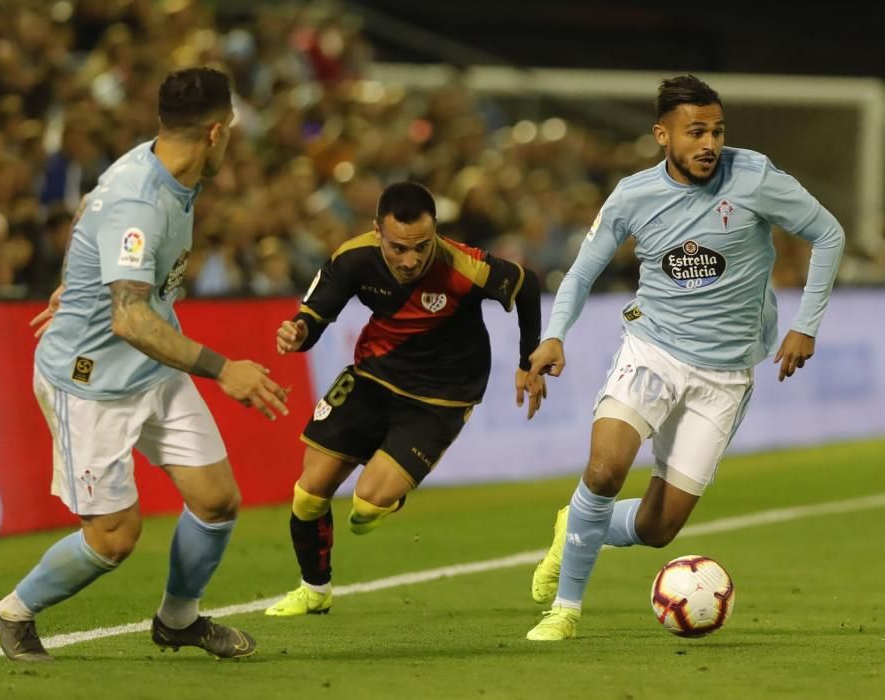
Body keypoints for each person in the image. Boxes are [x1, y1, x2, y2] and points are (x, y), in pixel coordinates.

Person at [0, 67, 290, 662]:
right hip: (91, 379)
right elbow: (129, 319)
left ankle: (178, 621)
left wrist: (72, 284)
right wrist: (225, 368)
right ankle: (11, 613)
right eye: (231, 131)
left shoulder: (165, 170)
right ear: (215, 132)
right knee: (114, 538)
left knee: (216, 499)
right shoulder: (141, 198)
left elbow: (90, 227)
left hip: (153, 366)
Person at [524, 74, 845, 641]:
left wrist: (806, 325)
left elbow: (829, 233)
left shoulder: (754, 177)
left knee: (658, 527)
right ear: (662, 135)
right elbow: (581, 272)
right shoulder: (632, 195)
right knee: (603, 470)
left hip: (723, 375)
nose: (710, 144)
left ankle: (574, 526)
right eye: (696, 131)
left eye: (717, 131)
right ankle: (566, 611)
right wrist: (554, 336)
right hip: (653, 350)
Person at [266, 181, 546, 616]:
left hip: (443, 394)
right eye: (398, 248)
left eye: (421, 246)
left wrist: (529, 360)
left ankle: (389, 487)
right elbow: (312, 317)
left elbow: (527, 288)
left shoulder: (464, 266)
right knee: (308, 493)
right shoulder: (353, 257)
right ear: (378, 231)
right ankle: (313, 590)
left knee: (365, 506)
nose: (411, 260)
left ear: (434, 231)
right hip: (374, 376)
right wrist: (299, 332)